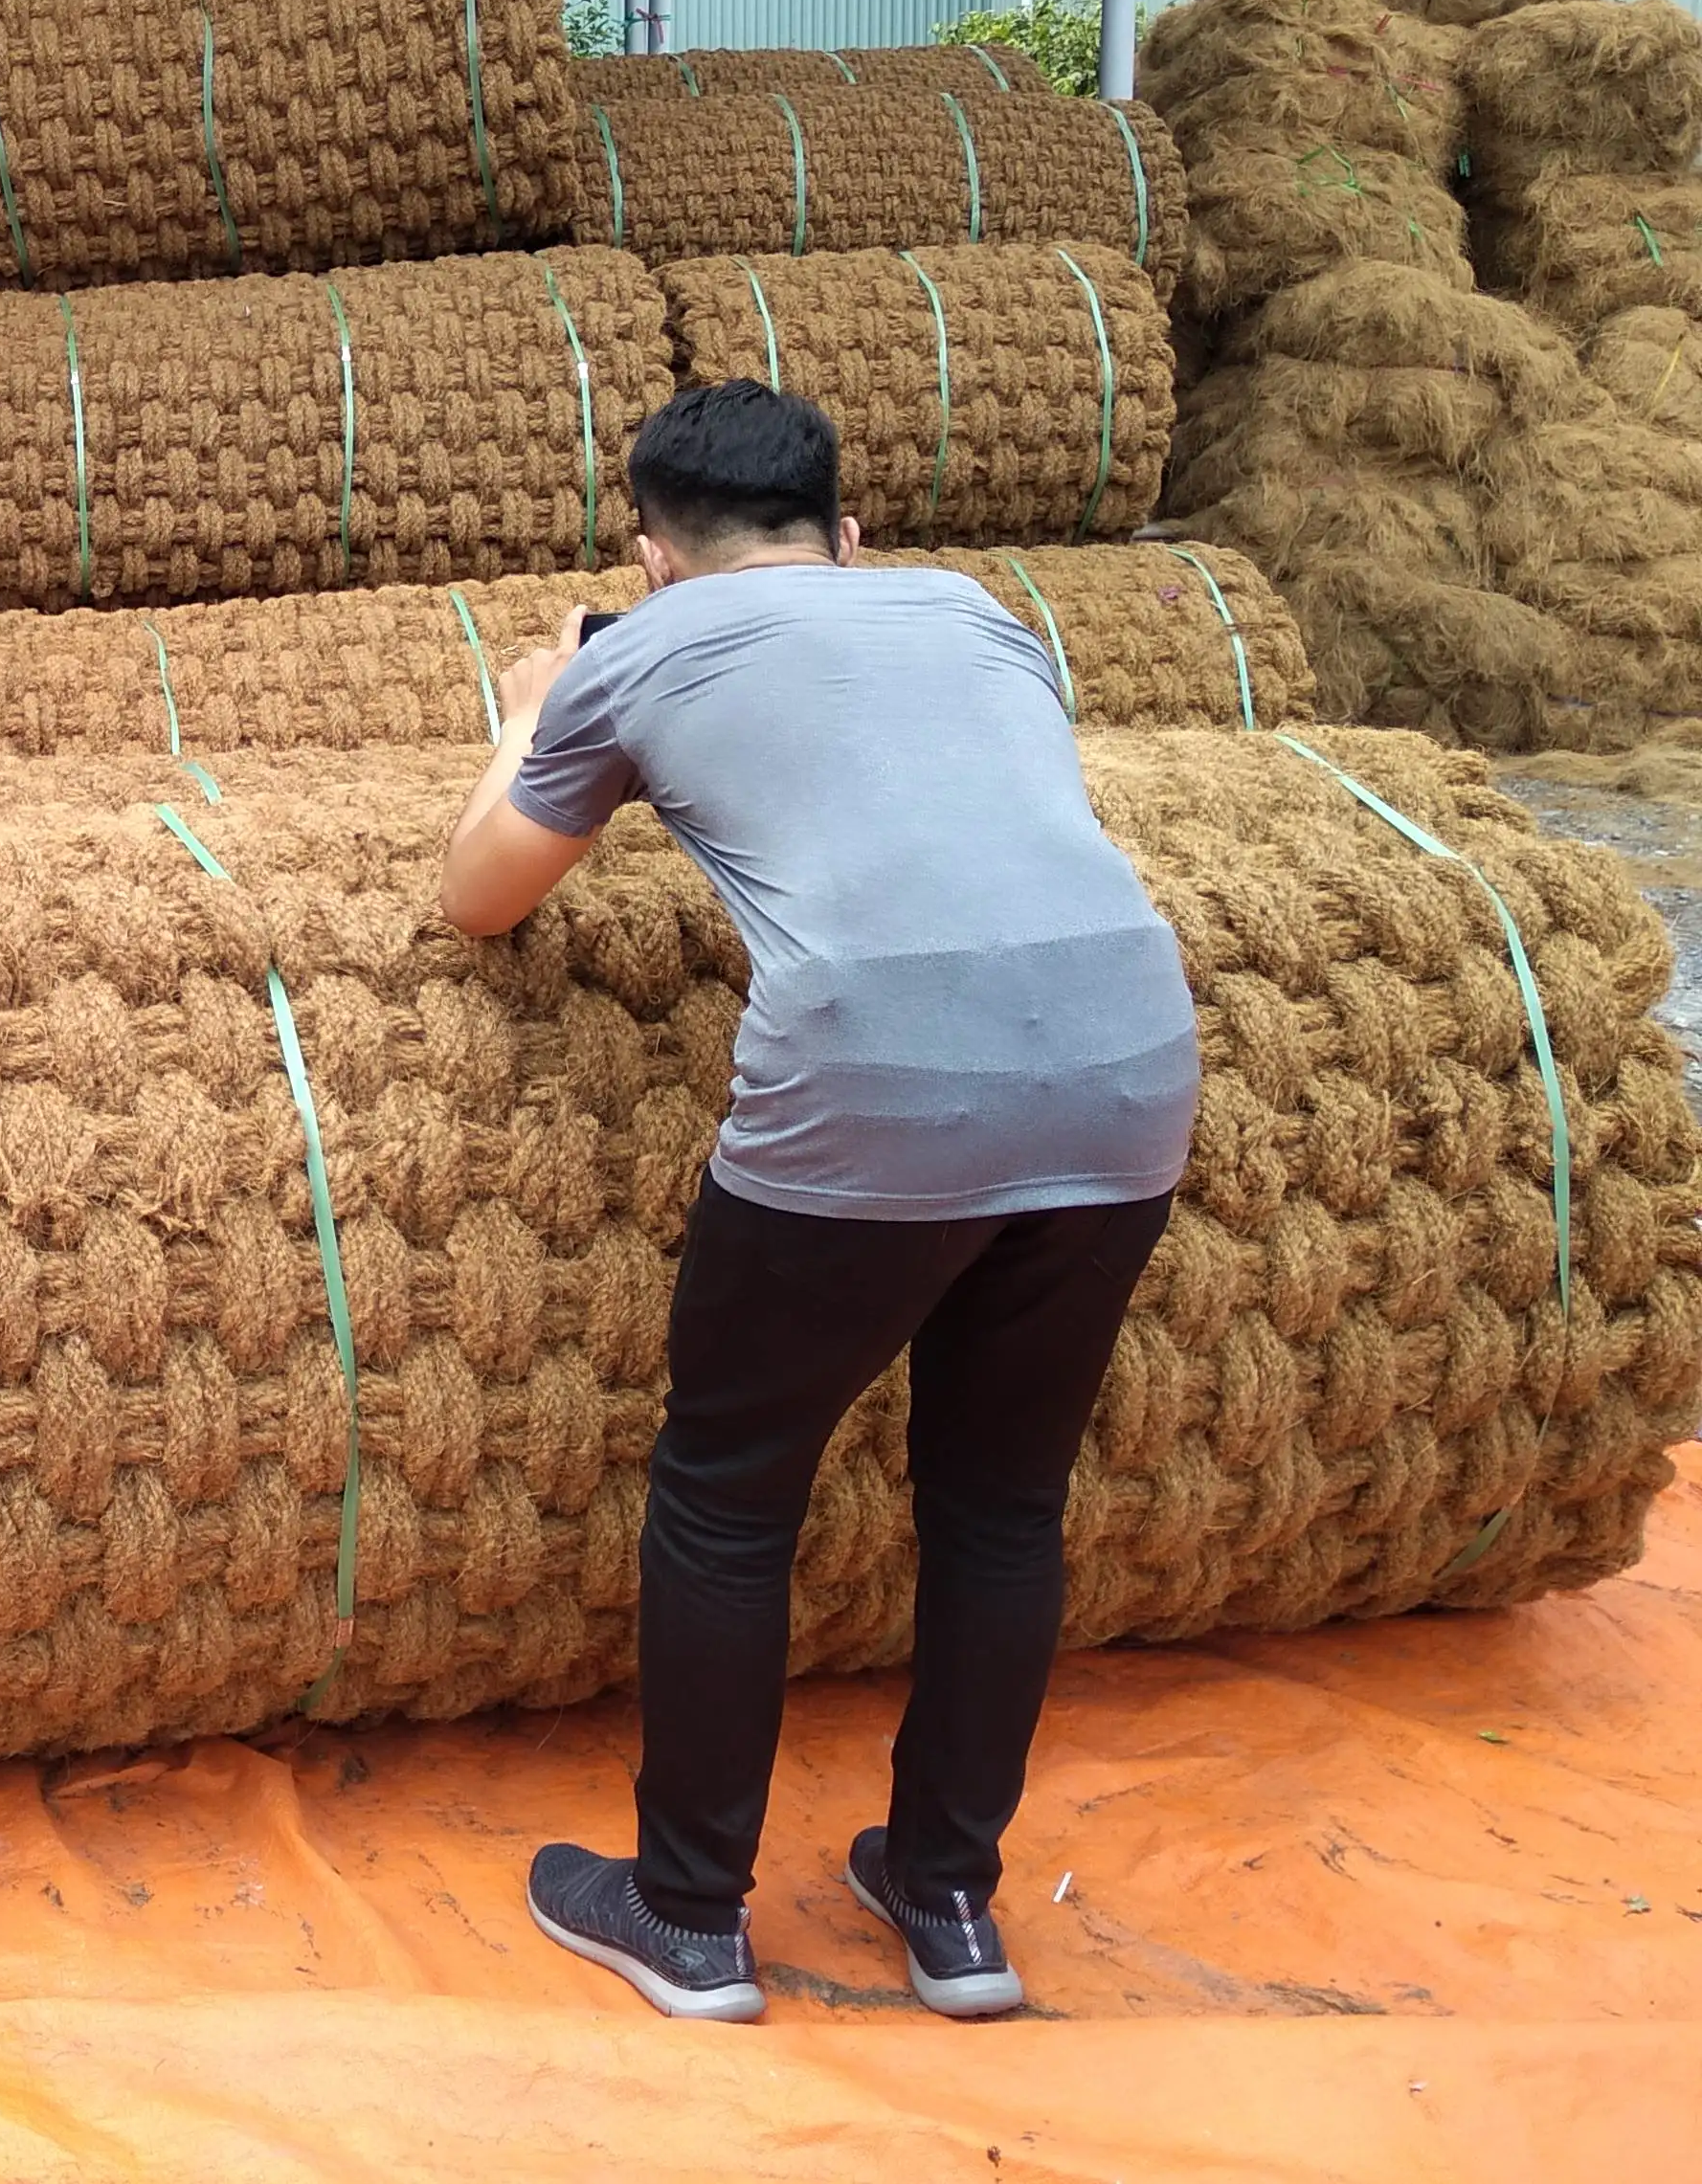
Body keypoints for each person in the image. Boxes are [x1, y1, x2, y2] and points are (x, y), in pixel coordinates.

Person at [439, 379, 1199, 2025]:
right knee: (1000, 1505)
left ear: (651, 555)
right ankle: (950, 1907)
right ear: (848, 537)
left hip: (877, 1084)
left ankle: (690, 1914)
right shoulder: (978, 614)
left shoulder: (634, 651)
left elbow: (477, 898)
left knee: (727, 1491)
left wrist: (531, 711)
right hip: (1135, 1063)